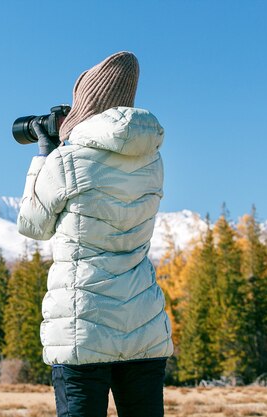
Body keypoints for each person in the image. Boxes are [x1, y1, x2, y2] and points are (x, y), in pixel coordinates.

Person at [17, 51, 174, 417]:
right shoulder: (153, 159)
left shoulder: (66, 161)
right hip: (144, 327)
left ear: (85, 106)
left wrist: (44, 155)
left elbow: (32, 224)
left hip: (81, 329)